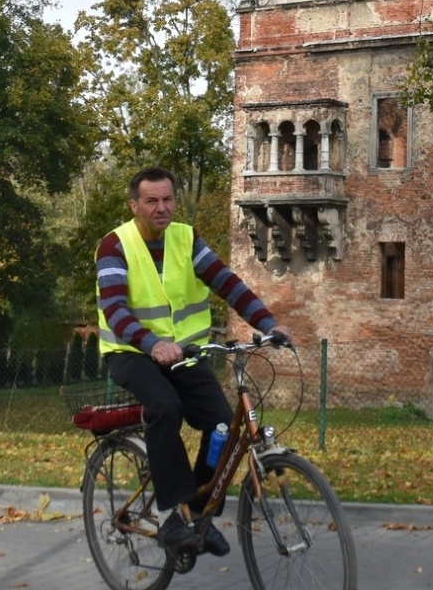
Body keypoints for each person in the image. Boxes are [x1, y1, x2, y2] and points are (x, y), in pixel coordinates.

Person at [96, 166, 290, 556]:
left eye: (167, 199)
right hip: (131, 352)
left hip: (183, 354)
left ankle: (195, 512)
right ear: (134, 205)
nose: (161, 207)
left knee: (222, 423)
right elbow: (114, 308)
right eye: (151, 201)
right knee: (165, 407)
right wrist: (151, 343)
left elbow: (227, 282)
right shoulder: (115, 245)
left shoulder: (186, 239)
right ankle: (173, 511)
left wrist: (268, 323)